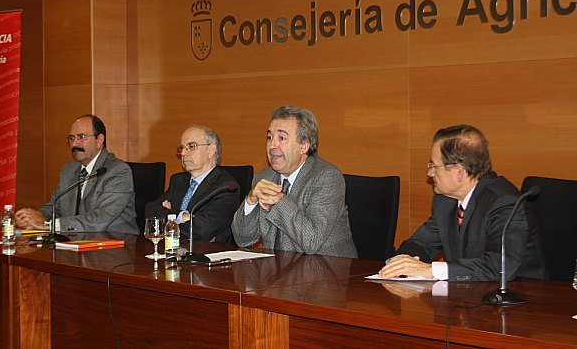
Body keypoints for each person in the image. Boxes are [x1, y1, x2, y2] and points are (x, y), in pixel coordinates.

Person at [379, 124, 545, 281]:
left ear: (459, 171)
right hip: (467, 297)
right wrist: (401, 260)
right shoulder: (445, 200)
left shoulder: (504, 203)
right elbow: (422, 242)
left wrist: (431, 270)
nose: (429, 173)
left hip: (519, 300)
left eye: (434, 166)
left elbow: (501, 266)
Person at [232, 105, 357, 258]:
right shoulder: (263, 178)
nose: (272, 145)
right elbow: (243, 239)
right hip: (276, 273)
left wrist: (279, 201)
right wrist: (250, 201)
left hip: (326, 272)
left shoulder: (326, 177)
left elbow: (312, 241)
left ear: (304, 145)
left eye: (282, 138)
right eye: (269, 137)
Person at [16, 114, 138, 234]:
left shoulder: (117, 171)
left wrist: (48, 225)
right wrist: (34, 218)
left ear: (99, 140)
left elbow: (100, 219)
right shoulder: (69, 169)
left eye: (81, 137)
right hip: (74, 243)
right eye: (71, 138)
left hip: (114, 246)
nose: (74, 144)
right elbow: (55, 208)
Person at [145, 125, 240, 243]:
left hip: (206, 255)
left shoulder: (225, 187)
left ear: (210, 150)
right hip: (173, 251)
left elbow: (201, 230)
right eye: (182, 148)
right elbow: (150, 212)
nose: (184, 153)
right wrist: (182, 216)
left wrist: (168, 217)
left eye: (191, 146)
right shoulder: (178, 180)